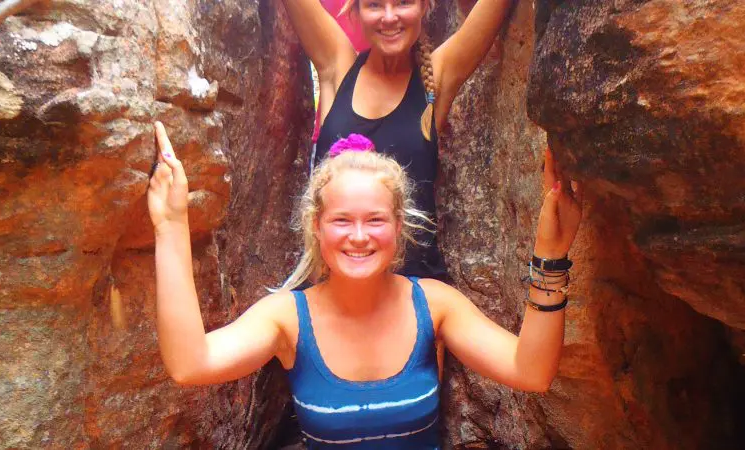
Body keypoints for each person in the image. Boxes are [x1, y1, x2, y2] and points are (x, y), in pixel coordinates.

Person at [148, 123, 583, 448]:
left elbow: (531, 372)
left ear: (398, 226)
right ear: (316, 228)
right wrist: (170, 225)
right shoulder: (286, 318)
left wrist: (551, 253)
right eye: (342, 220)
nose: (359, 236)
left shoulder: (433, 304)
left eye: (375, 219)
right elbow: (191, 364)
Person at [282, 0, 515, 282]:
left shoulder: (436, 78)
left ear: (424, 7)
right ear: (355, 12)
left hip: (415, 291)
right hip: (333, 286)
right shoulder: (338, 65)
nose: (389, 17)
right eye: (375, 5)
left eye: (403, 2)